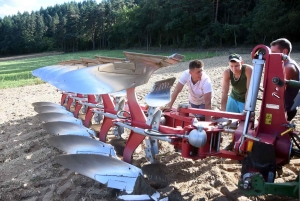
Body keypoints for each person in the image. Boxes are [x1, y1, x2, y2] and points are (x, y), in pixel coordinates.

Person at [270, 38, 300, 121]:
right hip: (282, 107)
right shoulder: (284, 64)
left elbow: (279, 91)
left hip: (285, 109)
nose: (271, 55)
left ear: (284, 52)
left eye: (274, 53)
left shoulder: (289, 67)